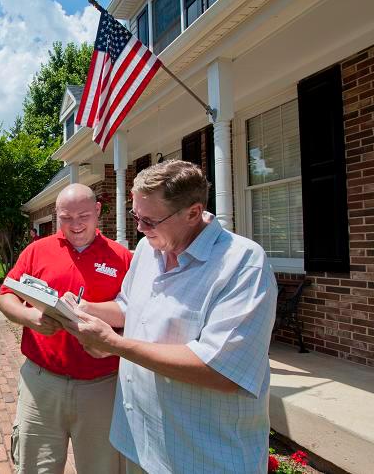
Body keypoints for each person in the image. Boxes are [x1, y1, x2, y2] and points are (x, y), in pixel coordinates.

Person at [60, 160, 277, 473]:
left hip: (202, 456)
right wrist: (82, 309)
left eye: (149, 220)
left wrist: (114, 344)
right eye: (136, 216)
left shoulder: (242, 264)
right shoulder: (150, 249)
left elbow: (221, 370)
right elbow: (127, 305)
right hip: (138, 441)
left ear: (193, 212)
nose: (139, 228)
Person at [0, 183, 133, 473]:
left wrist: (112, 339)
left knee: (103, 467)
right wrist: (29, 317)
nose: (75, 225)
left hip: (102, 385)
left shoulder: (123, 258)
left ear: (98, 211)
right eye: (66, 217)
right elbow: (6, 295)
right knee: (35, 467)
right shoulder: (36, 251)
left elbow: (138, 317)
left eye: (83, 215)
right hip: (41, 381)